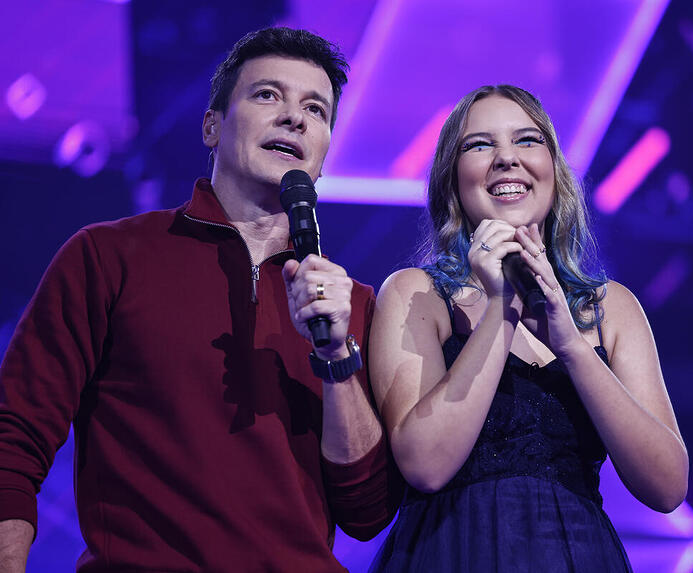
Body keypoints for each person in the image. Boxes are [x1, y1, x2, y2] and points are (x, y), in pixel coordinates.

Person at [0, 27, 401, 572]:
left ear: (324, 157)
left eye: (317, 109)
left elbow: (368, 512)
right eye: (267, 95)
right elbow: (13, 440)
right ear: (211, 126)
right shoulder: (108, 256)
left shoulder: (352, 304)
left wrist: (335, 358)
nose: (295, 118)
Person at [367, 85, 688, 571]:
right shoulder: (416, 294)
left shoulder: (612, 309)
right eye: (479, 145)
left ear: (553, 172)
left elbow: (667, 487)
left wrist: (573, 348)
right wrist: (502, 306)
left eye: (527, 140)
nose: (506, 159)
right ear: (453, 181)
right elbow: (425, 465)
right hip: (452, 552)